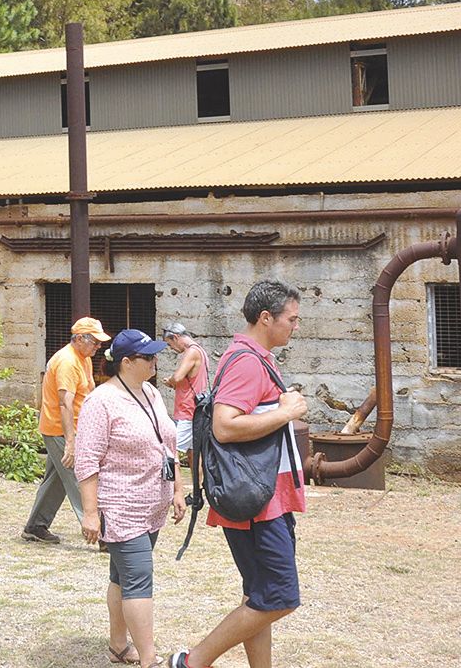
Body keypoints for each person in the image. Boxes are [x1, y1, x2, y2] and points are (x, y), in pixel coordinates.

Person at [168, 281, 308, 668]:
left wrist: (276, 404)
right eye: (291, 320)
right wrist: (286, 412)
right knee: (279, 595)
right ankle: (191, 662)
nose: (296, 327)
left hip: (262, 495)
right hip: (256, 501)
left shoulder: (256, 356)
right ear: (267, 318)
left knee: (259, 594)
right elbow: (225, 426)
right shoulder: (247, 360)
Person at [76, 330, 187, 668]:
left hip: (152, 506)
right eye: (148, 357)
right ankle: (149, 660)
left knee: (121, 577)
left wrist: (178, 489)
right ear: (126, 363)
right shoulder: (101, 401)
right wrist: (91, 513)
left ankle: (117, 644)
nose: (156, 361)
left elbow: (167, 445)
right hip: (123, 508)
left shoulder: (150, 391)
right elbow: (86, 460)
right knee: (139, 580)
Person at [22, 316, 110, 543]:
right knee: (80, 477)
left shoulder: (84, 358)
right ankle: (102, 535)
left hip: (75, 429)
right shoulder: (67, 362)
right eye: (95, 342)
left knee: (57, 479)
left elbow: (89, 393)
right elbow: (65, 404)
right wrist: (70, 442)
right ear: (80, 338)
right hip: (59, 430)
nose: (99, 347)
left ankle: (35, 526)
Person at [160, 322, 209, 457]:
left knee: (171, 454)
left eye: (170, 344)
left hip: (187, 411)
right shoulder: (200, 350)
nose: (171, 349)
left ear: (175, 337)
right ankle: (197, 480)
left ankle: (174, 479)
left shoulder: (192, 352)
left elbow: (178, 377)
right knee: (194, 455)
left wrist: (170, 380)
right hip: (195, 410)